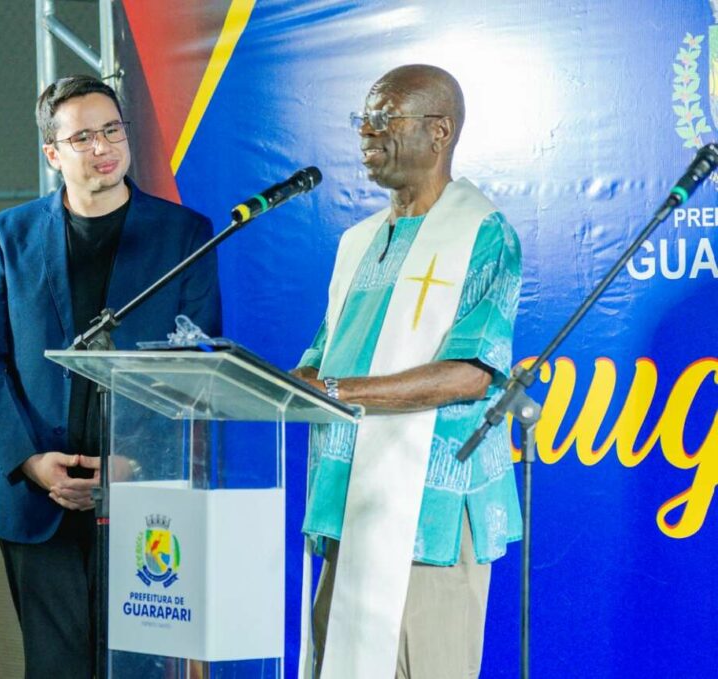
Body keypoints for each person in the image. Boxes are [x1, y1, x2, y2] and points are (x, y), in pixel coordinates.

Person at [0, 75, 222, 678]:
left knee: (137, 670)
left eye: (111, 130)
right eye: (82, 137)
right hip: (39, 496)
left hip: (145, 496)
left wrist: (136, 457)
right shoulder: (10, 234)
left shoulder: (183, 235)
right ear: (53, 153)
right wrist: (30, 460)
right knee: (54, 669)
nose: (102, 146)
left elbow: (198, 370)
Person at [293, 64, 522, 678]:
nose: (367, 132)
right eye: (363, 119)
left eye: (384, 117)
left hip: (433, 513)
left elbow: (474, 372)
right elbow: (320, 359)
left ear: (439, 131)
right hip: (351, 501)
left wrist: (337, 391)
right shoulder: (357, 241)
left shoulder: (482, 232)